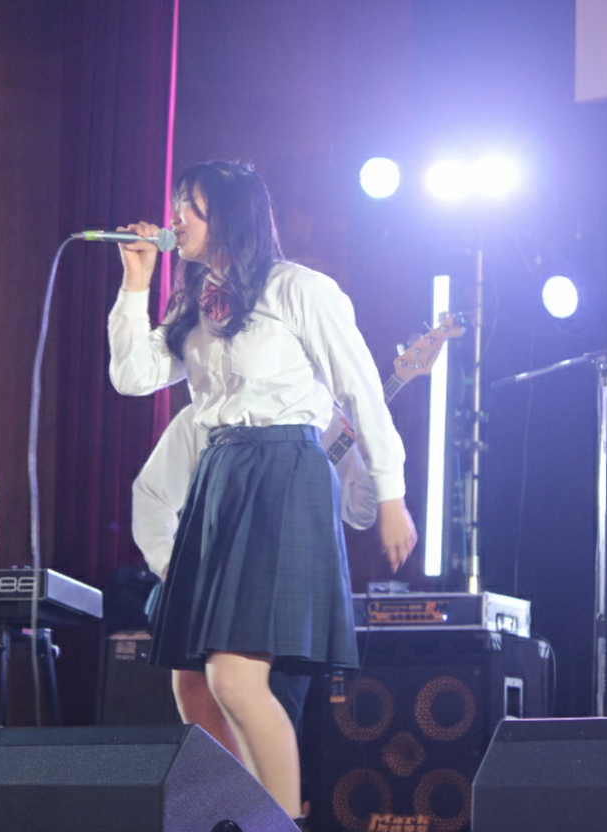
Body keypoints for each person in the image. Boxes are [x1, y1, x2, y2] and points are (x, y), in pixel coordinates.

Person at [107, 159, 416, 819]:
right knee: (193, 685)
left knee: (236, 679)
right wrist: (135, 285)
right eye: (176, 204)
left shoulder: (298, 289)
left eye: (190, 205)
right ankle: (239, 819)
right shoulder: (195, 302)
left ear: (229, 214)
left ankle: (279, 821)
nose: (175, 218)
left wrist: (390, 494)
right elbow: (132, 376)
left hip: (282, 474)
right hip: (219, 477)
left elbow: (362, 391)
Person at [131, 402, 380, 734]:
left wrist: (369, 450)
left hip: (283, 592)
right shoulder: (202, 414)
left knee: (272, 715)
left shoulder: (321, 416)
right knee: (202, 723)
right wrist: (170, 566)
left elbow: (361, 512)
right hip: (210, 588)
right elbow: (151, 495)